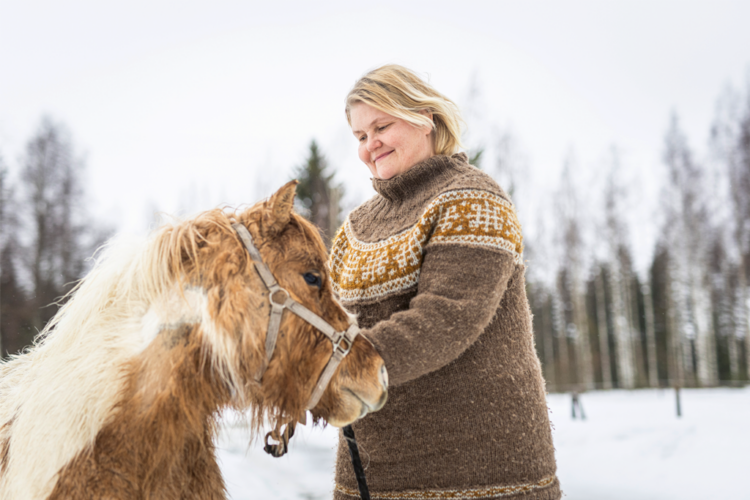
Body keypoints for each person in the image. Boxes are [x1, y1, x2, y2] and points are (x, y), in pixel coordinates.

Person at [328, 65, 560, 500]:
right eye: (360, 136)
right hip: (370, 479)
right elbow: (327, 323)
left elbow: (447, 317)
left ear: (425, 118)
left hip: (480, 477)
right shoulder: (355, 228)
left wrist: (339, 367)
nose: (369, 144)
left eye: (381, 126)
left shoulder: (472, 198)